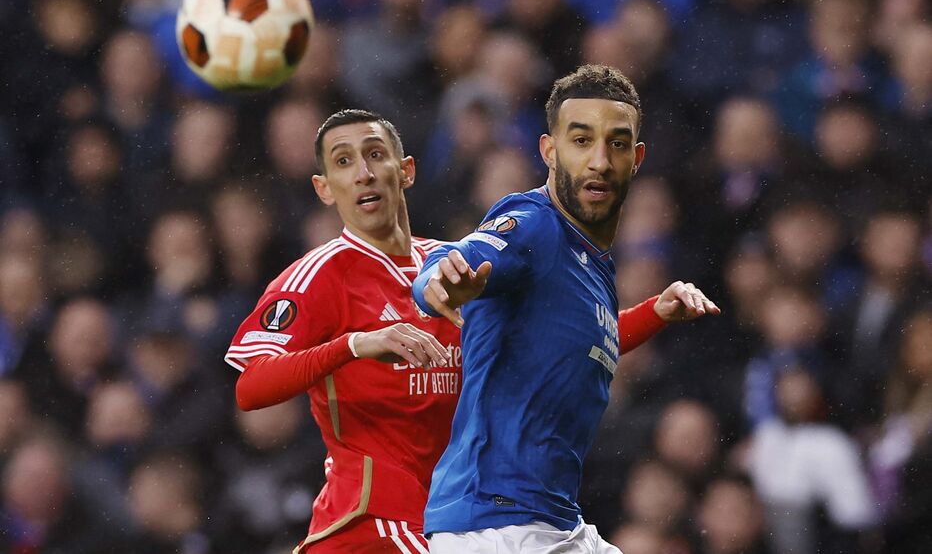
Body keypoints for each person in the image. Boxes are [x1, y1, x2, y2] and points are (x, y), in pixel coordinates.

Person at [412, 64, 720, 553]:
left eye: (616, 144)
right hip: (495, 528)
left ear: (636, 157)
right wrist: (438, 283)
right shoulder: (534, 224)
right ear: (549, 151)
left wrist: (655, 314)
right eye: (581, 141)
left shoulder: (591, 261)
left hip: (552, 521)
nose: (599, 160)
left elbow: (576, 342)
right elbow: (452, 261)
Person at [225, 109, 459, 553]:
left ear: (406, 170)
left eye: (375, 155)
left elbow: (581, 343)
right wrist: (354, 345)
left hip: (455, 511)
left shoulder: (452, 266)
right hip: (372, 521)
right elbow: (250, 387)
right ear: (324, 188)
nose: (364, 174)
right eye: (344, 162)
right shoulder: (318, 276)